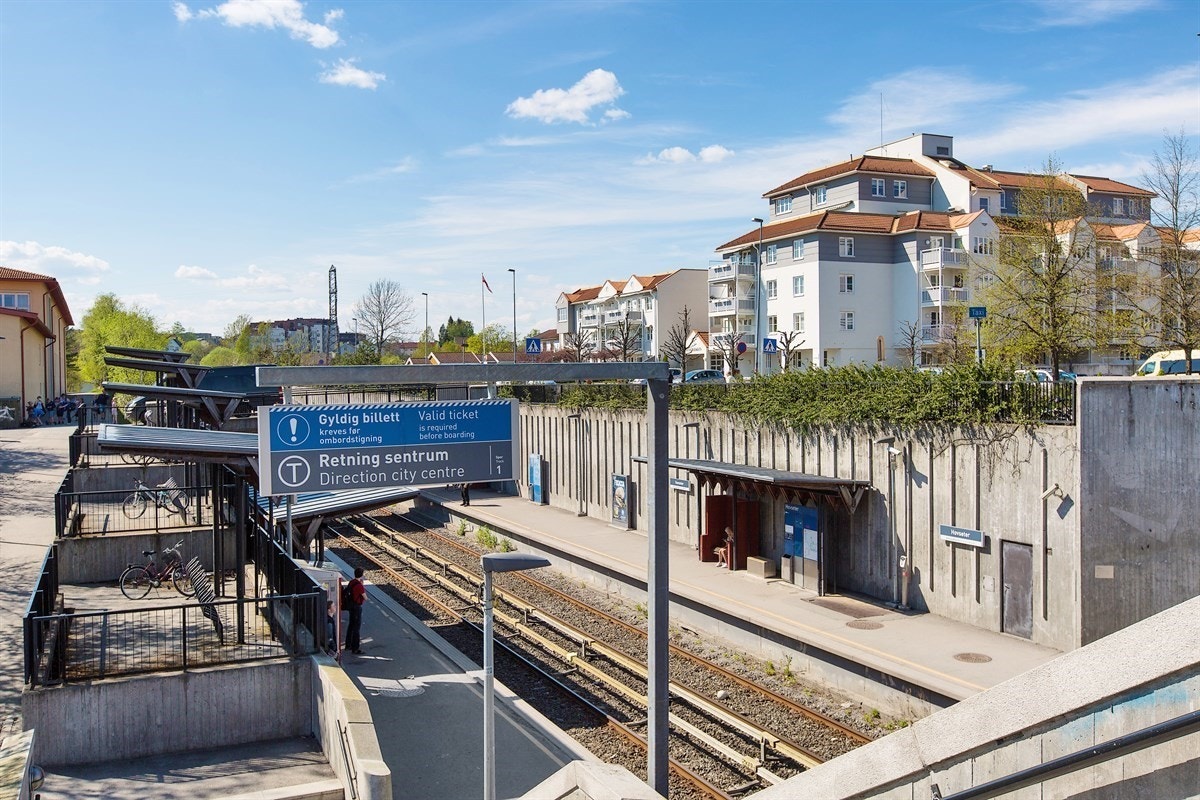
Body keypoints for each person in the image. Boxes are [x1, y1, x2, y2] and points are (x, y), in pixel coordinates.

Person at [344, 567, 366, 655]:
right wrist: (362, 586)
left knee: (351, 625)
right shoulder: (359, 585)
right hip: (357, 607)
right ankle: (355, 648)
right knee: (356, 628)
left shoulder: (351, 582)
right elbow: (365, 597)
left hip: (350, 606)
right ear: (361, 575)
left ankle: (348, 644)